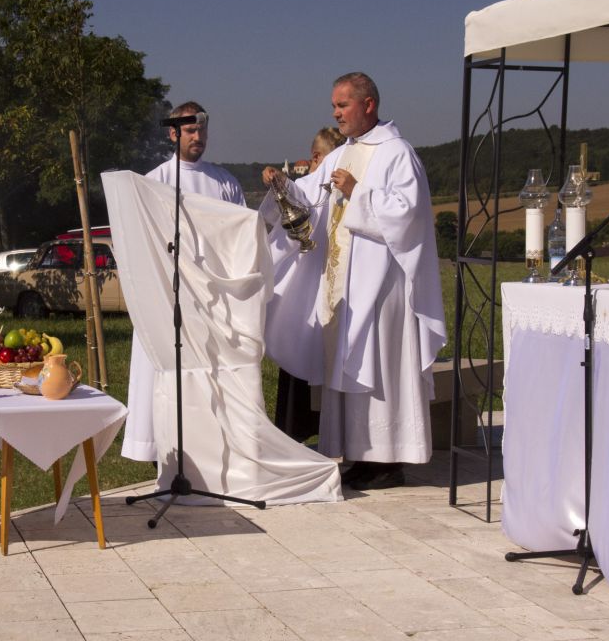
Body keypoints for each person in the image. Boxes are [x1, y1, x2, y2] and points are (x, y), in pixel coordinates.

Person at [261, 73, 446, 489]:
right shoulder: (342, 153)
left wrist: (359, 192)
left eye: (342, 105)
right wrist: (281, 184)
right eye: (334, 106)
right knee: (349, 362)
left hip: (383, 286)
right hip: (344, 282)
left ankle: (388, 460)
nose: (336, 113)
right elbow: (309, 196)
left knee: (379, 365)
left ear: (368, 105)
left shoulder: (398, 152)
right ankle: (360, 454)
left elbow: (409, 213)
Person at [121, 102, 246, 463]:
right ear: (173, 133)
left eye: (202, 129)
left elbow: (241, 234)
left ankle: (212, 449)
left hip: (213, 297)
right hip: (169, 295)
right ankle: (164, 449)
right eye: (190, 130)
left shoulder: (224, 181)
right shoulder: (154, 181)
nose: (198, 136)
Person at [271, 127, 345, 442]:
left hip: (333, 289)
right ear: (317, 158)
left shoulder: (339, 191)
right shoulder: (302, 189)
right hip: (301, 293)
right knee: (299, 361)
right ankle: (293, 434)